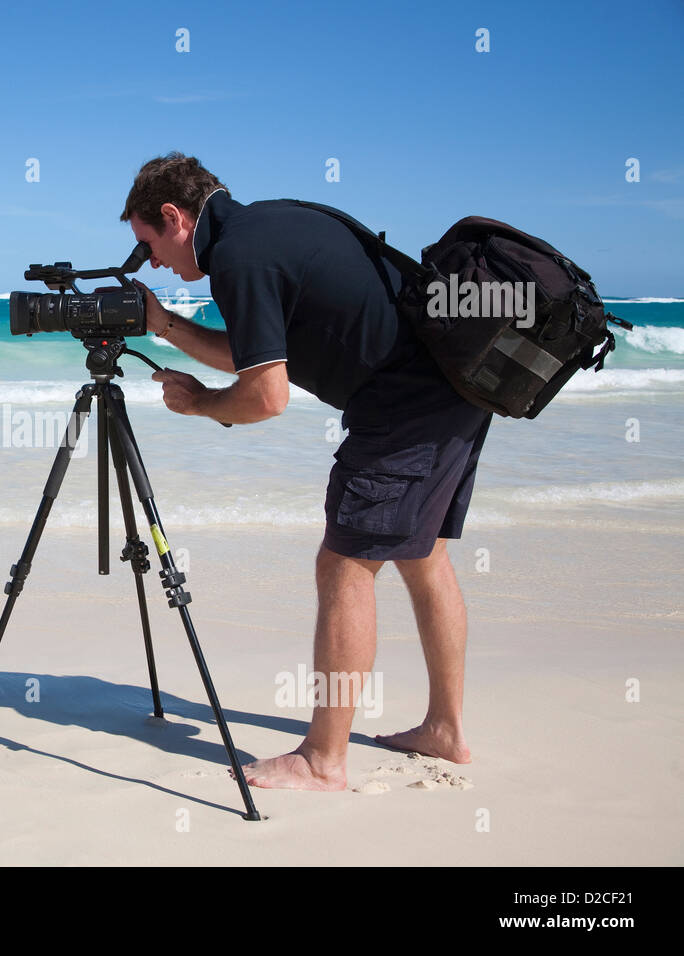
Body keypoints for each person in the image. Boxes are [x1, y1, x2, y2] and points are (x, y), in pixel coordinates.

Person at [120, 152, 490, 791]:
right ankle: (446, 730)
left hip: (402, 404)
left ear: (174, 217)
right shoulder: (269, 227)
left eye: (148, 243)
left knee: (344, 564)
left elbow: (267, 397)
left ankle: (324, 760)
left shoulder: (238, 257)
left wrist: (202, 403)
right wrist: (165, 326)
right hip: (454, 386)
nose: (151, 261)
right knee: (423, 553)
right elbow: (254, 352)